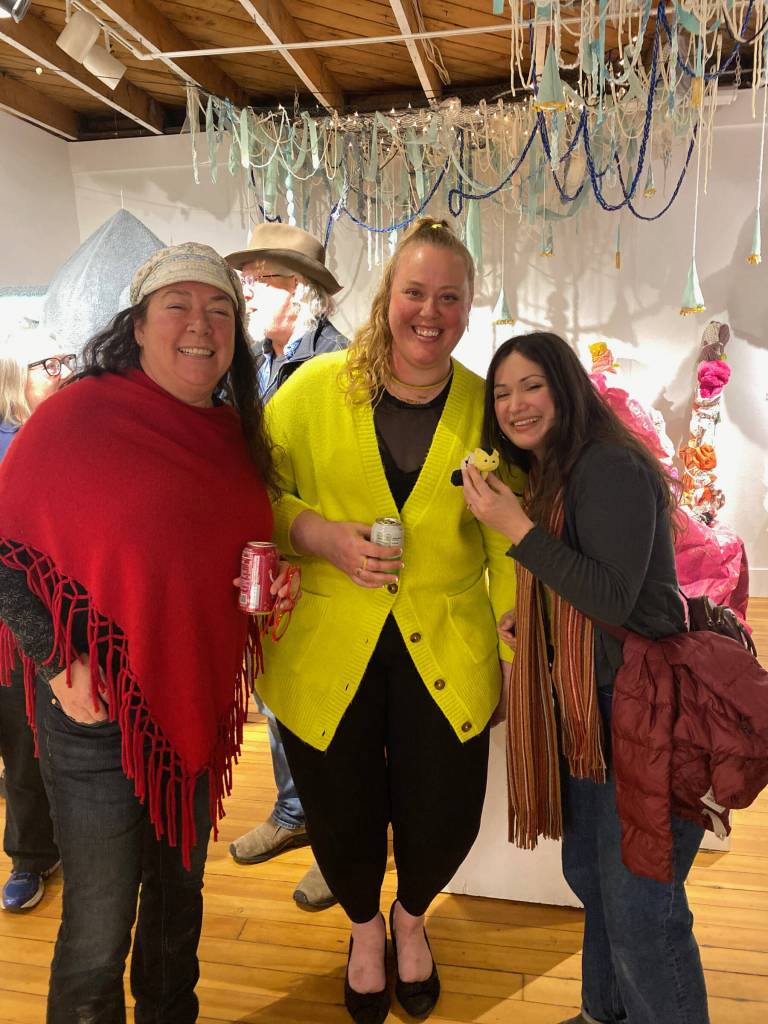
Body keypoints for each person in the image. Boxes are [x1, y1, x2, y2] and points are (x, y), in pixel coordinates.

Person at [0, 243, 294, 1023]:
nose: (201, 325)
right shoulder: (77, 414)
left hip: (189, 704)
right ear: (138, 324)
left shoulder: (234, 433)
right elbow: (4, 549)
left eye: (221, 310)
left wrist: (262, 591)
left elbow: (213, 555)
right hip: (92, 719)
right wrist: (57, 657)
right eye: (179, 306)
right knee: (98, 931)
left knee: (176, 908)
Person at [257, 218, 517, 1024]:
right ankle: (365, 929)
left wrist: (513, 623)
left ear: (471, 307)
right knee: (340, 803)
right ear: (387, 297)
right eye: (414, 292)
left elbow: (511, 530)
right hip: (326, 642)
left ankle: (414, 919)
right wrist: (319, 535)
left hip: (446, 638)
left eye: (449, 296)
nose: (428, 311)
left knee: (444, 809)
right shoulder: (310, 392)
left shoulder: (487, 407)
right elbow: (252, 495)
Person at [462, 332, 710, 1024]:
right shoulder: (556, 474)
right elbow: (581, 588)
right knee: (596, 882)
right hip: (591, 705)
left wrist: (514, 527)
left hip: (641, 708)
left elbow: (610, 598)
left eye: (531, 386)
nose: (515, 404)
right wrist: (533, 621)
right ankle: (603, 1012)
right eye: (502, 392)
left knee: (640, 909)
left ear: (566, 388)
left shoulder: (608, 467)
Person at [225, 222, 346, 911]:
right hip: (265, 555)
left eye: (261, 279)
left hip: (319, 560)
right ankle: (295, 811)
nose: (245, 290)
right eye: (246, 278)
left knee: (329, 705)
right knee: (276, 691)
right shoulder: (249, 360)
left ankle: (339, 837)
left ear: (299, 291)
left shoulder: (337, 362)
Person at [0, 326, 74, 912]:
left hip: (63, 623)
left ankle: (77, 844)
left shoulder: (67, 437)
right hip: (12, 628)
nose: (62, 370)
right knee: (20, 744)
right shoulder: (7, 443)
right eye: (48, 363)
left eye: (64, 359)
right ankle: (31, 854)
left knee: (53, 742)